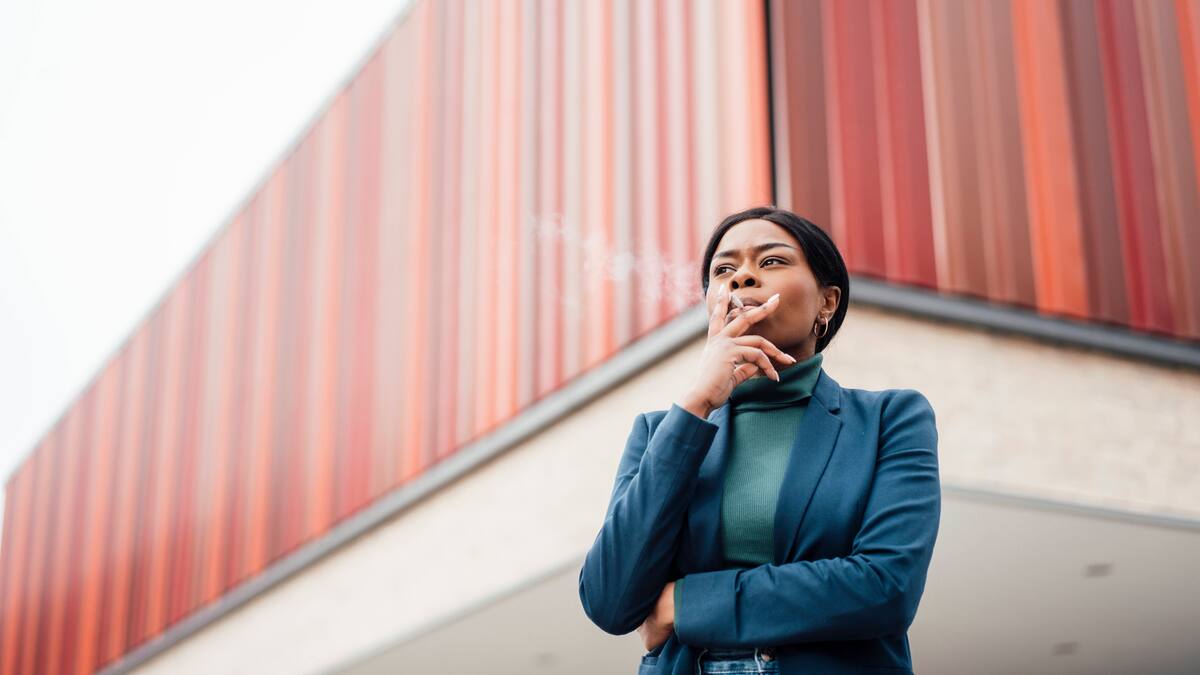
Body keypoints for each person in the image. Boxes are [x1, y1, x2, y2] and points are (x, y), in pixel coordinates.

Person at [578, 206, 941, 674]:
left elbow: (886, 586)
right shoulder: (660, 433)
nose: (742, 277)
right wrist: (696, 405)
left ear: (827, 302)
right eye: (723, 270)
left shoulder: (890, 420)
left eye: (771, 261)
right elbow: (609, 602)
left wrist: (682, 604)